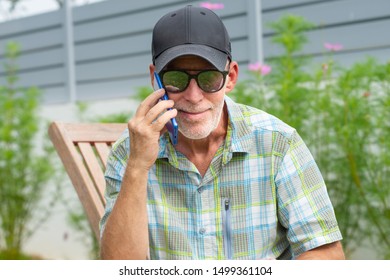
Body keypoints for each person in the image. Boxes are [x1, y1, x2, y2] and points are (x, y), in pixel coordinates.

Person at [99, 5, 345, 260]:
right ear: (155, 78)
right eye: (176, 78)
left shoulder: (278, 142)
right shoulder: (129, 153)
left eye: (209, 79)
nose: (193, 97)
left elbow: (327, 255)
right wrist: (138, 166)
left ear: (231, 77)